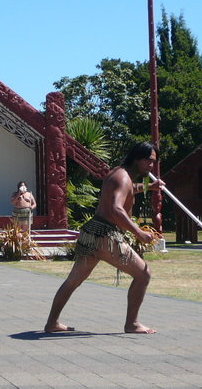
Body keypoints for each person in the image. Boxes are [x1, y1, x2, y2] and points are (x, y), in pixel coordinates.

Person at [44, 142, 165, 335]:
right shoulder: (123, 177)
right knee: (143, 274)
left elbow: (128, 189)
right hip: (106, 237)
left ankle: (52, 322)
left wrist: (150, 186)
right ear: (137, 158)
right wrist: (138, 232)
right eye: (149, 161)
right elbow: (116, 208)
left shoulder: (119, 173)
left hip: (91, 233)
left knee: (73, 281)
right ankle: (132, 324)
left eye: (154, 162)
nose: (151, 166)